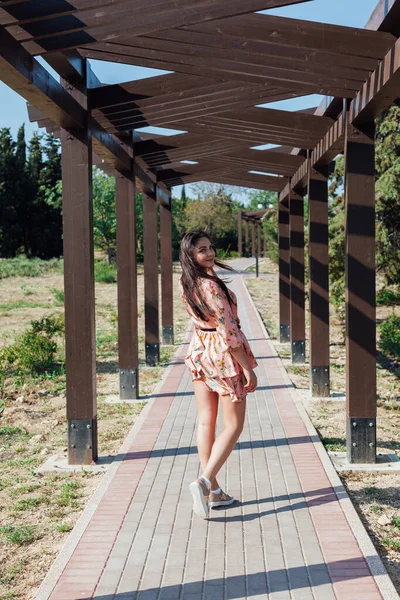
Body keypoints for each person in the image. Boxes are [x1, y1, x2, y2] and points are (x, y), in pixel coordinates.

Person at [179, 230, 258, 518]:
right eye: (202, 250)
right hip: (223, 356)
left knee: (205, 422)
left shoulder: (187, 282)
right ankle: (203, 481)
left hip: (200, 351)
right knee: (233, 426)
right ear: (191, 254)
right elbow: (228, 331)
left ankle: (214, 492)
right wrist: (247, 368)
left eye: (210, 247)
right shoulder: (211, 286)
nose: (210, 253)